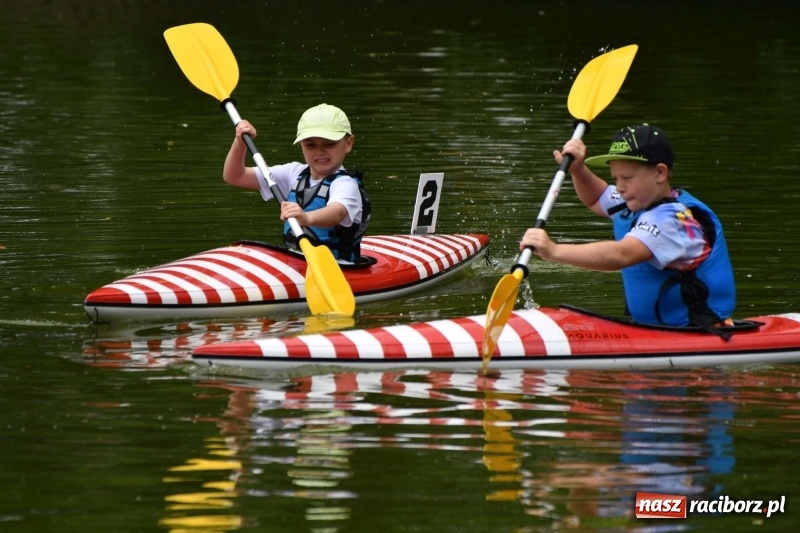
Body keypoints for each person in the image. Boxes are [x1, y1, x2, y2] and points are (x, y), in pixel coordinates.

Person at [519, 124, 736, 334]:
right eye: (616, 178)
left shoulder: (674, 221)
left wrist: (554, 251)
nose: (620, 187)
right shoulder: (637, 199)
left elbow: (621, 254)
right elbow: (597, 198)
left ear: (660, 173)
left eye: (627, 178)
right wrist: (578, 170)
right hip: (655, 331)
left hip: (697, 331)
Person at [222, 103, 369, 263]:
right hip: (295, 262)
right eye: (310, 145)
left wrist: (306, 218)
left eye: (329, 144)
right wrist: (240, 143)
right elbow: (235, 176)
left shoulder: (345, 184)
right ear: (301, 146)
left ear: (348, 144)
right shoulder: (293, 173)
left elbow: (336, 213)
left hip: (338, 266)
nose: (320, 151)